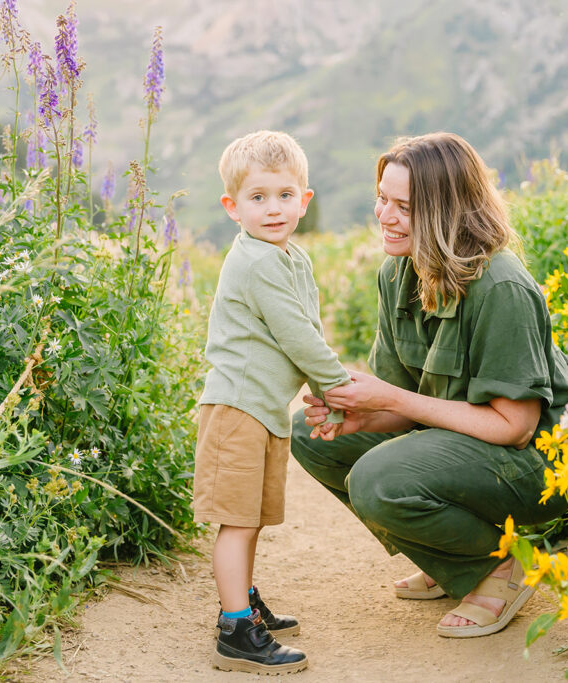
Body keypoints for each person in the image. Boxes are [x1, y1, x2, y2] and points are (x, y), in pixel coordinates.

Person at [292, 132, 568, 638]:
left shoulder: (501, 285)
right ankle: (450, 555)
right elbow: (407, 402)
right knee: (310, 435)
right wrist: (361, 413)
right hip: (468, 445)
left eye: (403, 206)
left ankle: (498, 566)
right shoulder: (398, 273)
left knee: (377, 479)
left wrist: (390, 398)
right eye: (382, 198)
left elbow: (515, 426)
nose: (384, 215)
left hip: (545, 465)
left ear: (447, 212)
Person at [194, 130, 352, 673]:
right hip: (237, 409)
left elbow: (304, 325)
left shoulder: (290, 259)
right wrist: (336, 386)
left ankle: (243, 600)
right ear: (232, 208)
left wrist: (314, 385)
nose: (273, 208)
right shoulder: (258, 262)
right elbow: (298, 337)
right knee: (236, 521)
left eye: (285, 195)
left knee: (252, 518)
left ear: (304, 200)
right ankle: (236, 627)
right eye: (257, 198)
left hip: (262, 410)